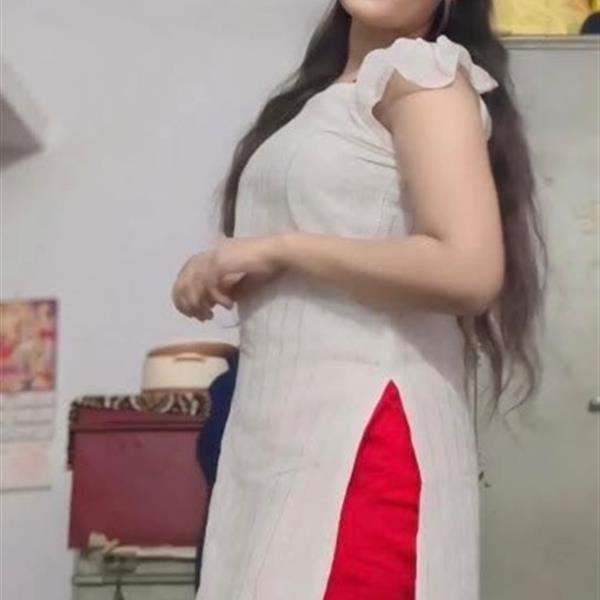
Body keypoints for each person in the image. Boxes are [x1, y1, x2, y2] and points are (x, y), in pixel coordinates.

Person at [172, 0, 545, 598]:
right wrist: (225, 261)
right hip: (279, 443)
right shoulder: (316, 101)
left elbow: (468, 267)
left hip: (361, 445)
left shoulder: (421, 73)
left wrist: (282, 249)